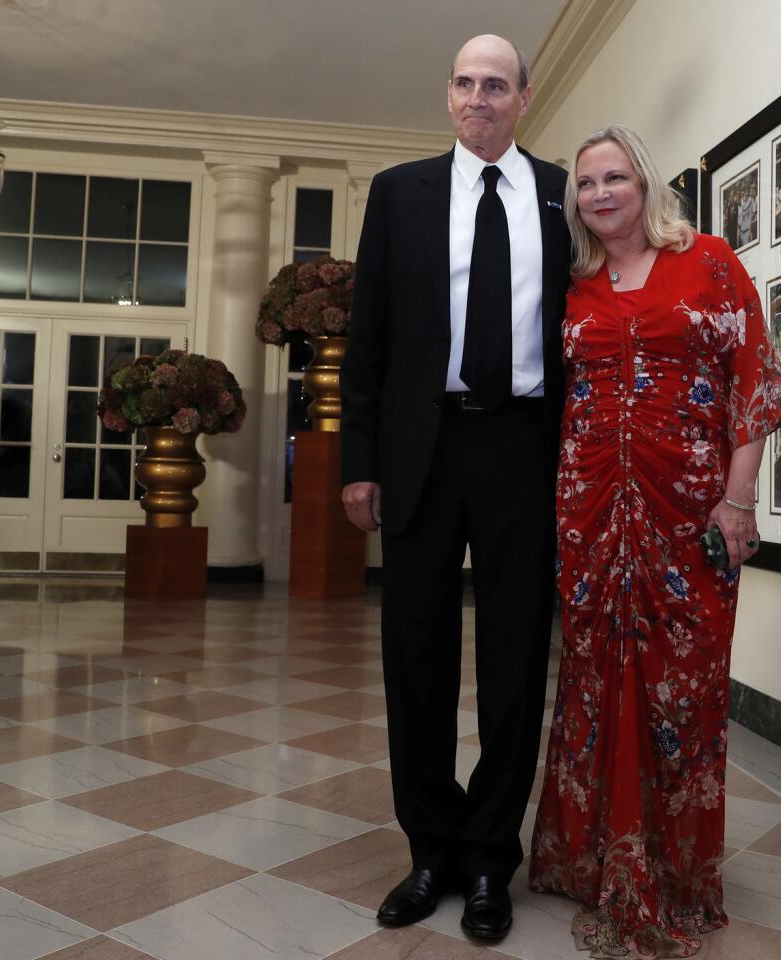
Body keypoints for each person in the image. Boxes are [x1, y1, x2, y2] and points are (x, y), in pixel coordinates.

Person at [529, 125, 781, 958]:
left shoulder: (708, 262)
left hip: (688, 517)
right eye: (585, 184)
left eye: (615, 178)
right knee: (593, 677)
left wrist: (737, 500)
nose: (600, 194)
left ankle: (673, 872)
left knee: (682, 690)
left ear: (645, 184)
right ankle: (591, 859)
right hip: (590, 514)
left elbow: (754, 381)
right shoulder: (572, 284)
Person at [339, 33, 571, 943]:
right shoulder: (399, 193)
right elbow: (368, 340)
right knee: (417, 657)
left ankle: (488, 861)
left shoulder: (560, 195)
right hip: (421, 450)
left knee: (514, 661)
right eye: (465, 85)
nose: (479, 99)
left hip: (525, 450)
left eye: (497, 86)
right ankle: (429, 848)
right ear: (448, 96)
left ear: (522, 97)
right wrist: (360, 459)